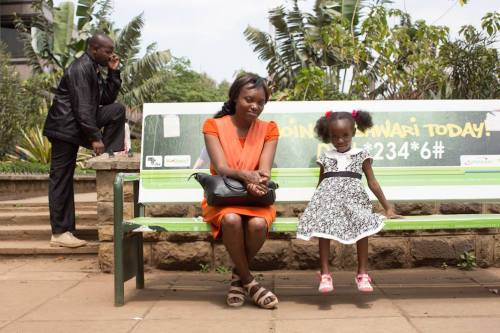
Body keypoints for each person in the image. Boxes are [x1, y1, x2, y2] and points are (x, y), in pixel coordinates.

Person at [296, 110, 402, 294]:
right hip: (328, 203)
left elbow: (372, 182)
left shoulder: (361, 155)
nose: (340, 140)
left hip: (354, 203)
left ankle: (362, 273)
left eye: (345, 135)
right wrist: (312, 209)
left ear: (353, 132)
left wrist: (388, 208)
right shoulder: (325, 157)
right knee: (323, 225)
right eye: (335, 136)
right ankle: (325, 274)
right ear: (329, 136)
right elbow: (320, 185)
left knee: (363, 223)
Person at [201, 74, 279, 309]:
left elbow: (264, 171)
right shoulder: (213, 126)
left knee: (257, 224)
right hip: (224, 198)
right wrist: (246, 176)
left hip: (255, 198)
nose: (255, 106)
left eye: (261, 102)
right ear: (235, 97)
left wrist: (259, 182)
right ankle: (249, 282)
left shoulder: (269, 129)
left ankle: (237, 278)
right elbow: (222, 168)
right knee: (232, 219)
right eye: (248, 99)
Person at [43, 33, 126, 248]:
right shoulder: (81, 68)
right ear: (94, 49)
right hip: (64, 128)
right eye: (107, 51)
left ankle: (110, 155)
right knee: (61, 179)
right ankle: (60, 233)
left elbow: (106, 100)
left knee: (117, 110)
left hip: (76, 125)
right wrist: (95, 137)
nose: (111, 55)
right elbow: (82, 108)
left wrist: (114, 73)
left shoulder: (95, 67)